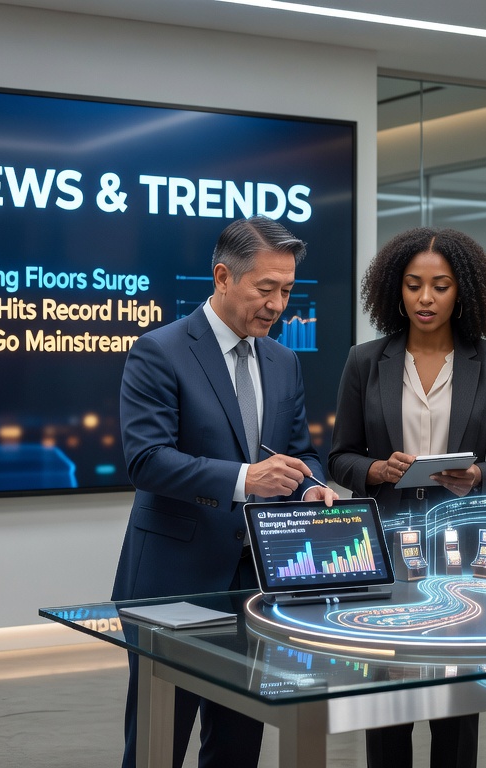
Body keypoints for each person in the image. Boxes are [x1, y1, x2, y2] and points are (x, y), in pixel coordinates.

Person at [111, 215, 338, 768]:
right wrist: (243, 480)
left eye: (287, 290)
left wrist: (310, 485)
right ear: (222, 277)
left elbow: (300, 449)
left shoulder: (283, 362)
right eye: (266, 289)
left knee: (238, 743)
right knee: (159, 742)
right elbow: (146, 460)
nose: (278, 304)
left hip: (258, 579)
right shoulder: (160, 351)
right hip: (175, 578)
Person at [330, 227, 486, 768]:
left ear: (463, 292)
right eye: (414, 285)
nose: (426, 298)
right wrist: (376, 469)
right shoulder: (365, 361)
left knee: (457, 704)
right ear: (397, 290)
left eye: (440, 286)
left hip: (467, 554)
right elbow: (339, 456)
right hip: (386, 553)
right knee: (387, 701)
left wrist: (477, 476)